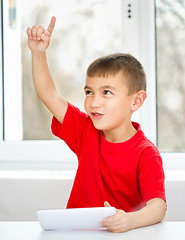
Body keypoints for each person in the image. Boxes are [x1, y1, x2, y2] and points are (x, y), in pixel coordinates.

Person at [27, 17, 166, 233]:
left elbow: (157, 207)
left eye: (107, 92)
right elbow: (49, 94)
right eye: (89, 92)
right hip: (75, 235)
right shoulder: (84, 129)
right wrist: (38, 53)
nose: (94, 102)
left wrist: (128, 221)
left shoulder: (146, 154)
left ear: (136, 101)